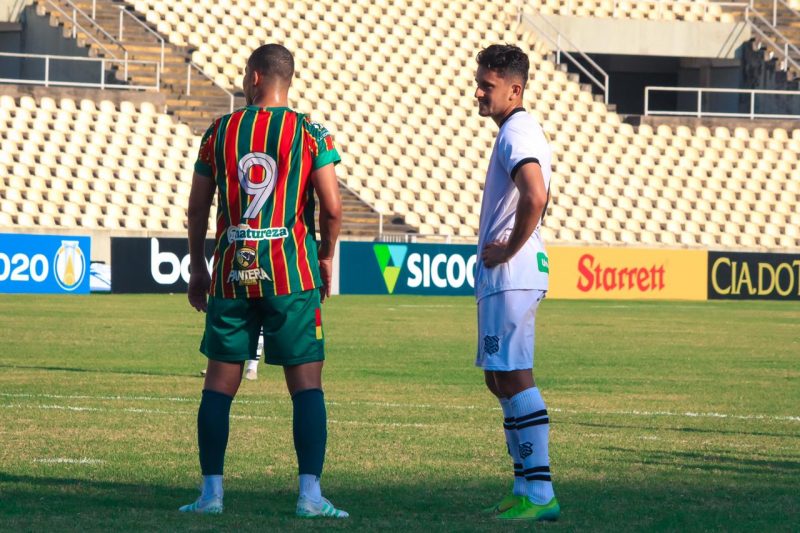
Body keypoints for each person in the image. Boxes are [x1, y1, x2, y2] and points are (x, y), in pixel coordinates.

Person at [181, 43, 347, 519]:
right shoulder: (310, 133)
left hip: (233, 273)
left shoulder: (220, 131)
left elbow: (197, 207)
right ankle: (310, 497)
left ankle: (211, 496)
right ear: (285, 80)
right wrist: (326, 258)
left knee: (218, 385)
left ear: (254, 77)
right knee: (306, 386)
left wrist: (198, 267)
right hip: (290, 275)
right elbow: (332, 209)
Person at [472, 44, 559, 521]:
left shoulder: (518, 130)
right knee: (497, 378)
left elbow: (536, 194)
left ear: (514, 89)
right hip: (505, 276)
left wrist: (508, 249)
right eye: (480, 82)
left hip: (513, 273)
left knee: (514, 374)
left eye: (487, 85)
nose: (479, 92)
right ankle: (524, 485)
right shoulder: (513, 130)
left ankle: (541, 493)